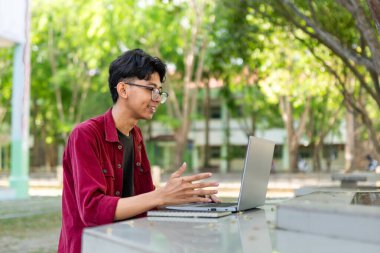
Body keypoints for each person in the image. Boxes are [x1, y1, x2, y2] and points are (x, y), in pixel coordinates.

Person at [58, 49, 220, 253]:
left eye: (160, 92)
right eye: (151, 89)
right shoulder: (85, 135)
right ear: (123, 90)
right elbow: (92, 210)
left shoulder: (136, 136)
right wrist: (161, 195)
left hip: (128, 246)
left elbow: (145, 199)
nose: (157, 98)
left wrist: (187, 197)